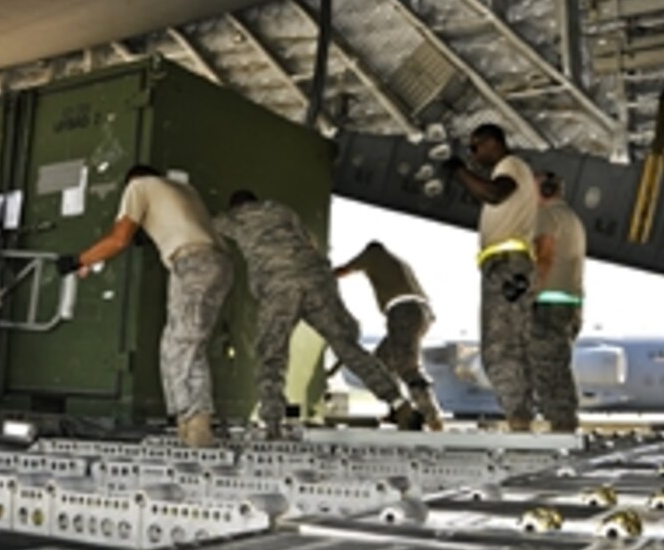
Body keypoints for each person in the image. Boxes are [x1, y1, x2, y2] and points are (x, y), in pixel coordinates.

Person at [213, 191, 424, 437]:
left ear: (237, 206)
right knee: (348, 347)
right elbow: (309, 241)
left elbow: (208, 227)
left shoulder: (236, 217)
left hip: (280, 285)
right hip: (318, 280)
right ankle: (400, 404)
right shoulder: (282, 211)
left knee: (272, 354)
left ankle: (272, 424)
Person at [56, 165, 233, 448]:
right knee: (185, 343)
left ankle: (197, 429)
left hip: (191, 264)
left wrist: (78, 260)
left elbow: (119, 239)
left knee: (181, 346)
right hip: (219, 265)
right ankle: (189, 425)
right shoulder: (184, 189)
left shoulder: (138, 187)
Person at [445, 123, 539, 431]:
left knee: (499, 348)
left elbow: (494, 193)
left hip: (505, 267)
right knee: (517, 345)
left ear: (493, 143)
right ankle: (522, 417)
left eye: (475, 147)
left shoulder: (510, 167)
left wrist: (459, 170)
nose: (473, 155)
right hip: (512, 266)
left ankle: (518, 420)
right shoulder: (515, 171)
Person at [335, 241, 444, 430]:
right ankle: (399, 411)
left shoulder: (374, 254)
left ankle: (431, 414)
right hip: (420, 312)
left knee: (407, 367)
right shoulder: (398, 261)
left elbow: (345, 269)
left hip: (403, 310)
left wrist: (319, 276)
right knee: (382, 361)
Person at [531, 171, 584, 432]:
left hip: (549, 302)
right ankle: (565, 421)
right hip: (570, 302)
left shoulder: (546, 215)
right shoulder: (572, 218)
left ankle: (561, 425)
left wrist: (531, 290)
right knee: (558, 363)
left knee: (547, 366)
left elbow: (545, 254)